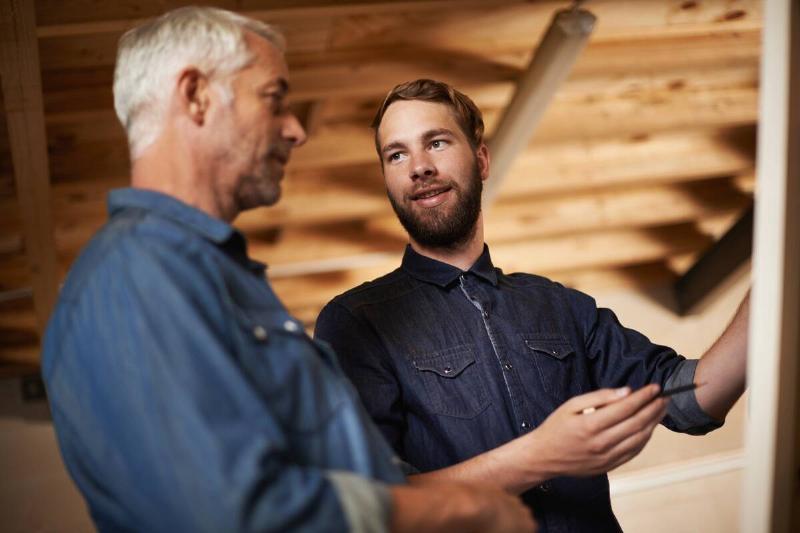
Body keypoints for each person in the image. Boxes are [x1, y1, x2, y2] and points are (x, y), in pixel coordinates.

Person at [42, 13, 536, 533]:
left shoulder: (208, 274)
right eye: (274, 99)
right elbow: (225, 513)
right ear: (197, 96)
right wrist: (458, 507)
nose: (296, 130)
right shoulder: (137, 275)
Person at [314, 78, 749, 532]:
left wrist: (774, 290)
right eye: (396, 155)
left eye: (436, 142)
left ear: (482, 160)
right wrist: (541, 455)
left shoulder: (561, 306)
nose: (419, 167)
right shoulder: (355, 323)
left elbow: (692, 400)